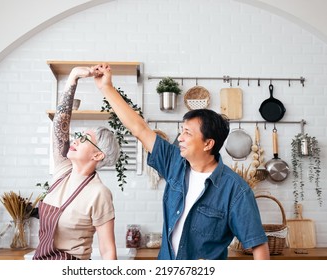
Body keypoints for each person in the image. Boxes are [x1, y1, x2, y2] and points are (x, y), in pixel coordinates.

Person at [92, 63, 270, 260]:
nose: (181, 138)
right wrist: (105, 87)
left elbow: (259, 246)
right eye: (181, 131)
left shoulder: (236, 190)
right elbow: (139, 128)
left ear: (208, 144)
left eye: (187, 133)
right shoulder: (174, 163)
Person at [33, 67, 120, 260]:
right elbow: (59, 126)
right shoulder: (63, 171)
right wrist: (73, 78)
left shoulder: (99, 193)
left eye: (85, 139)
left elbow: (107, 250)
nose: (75, 140)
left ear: (98, 155)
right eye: (78, 136)